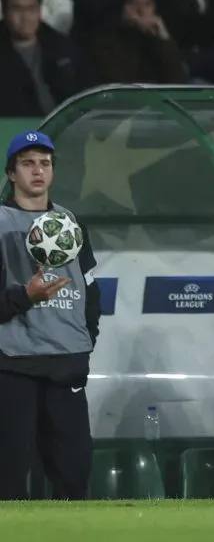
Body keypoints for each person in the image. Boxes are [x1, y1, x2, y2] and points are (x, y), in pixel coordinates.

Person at [0, 130, 101, 501]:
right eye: (27, 163)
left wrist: (86, 339)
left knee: (74, 472)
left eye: (44, 163)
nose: (37, 171)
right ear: (11, 173)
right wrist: (25, 297)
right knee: (11, 477)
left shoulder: (72, 224)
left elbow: (90, 290)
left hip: (66, 364)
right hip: (14, 366)